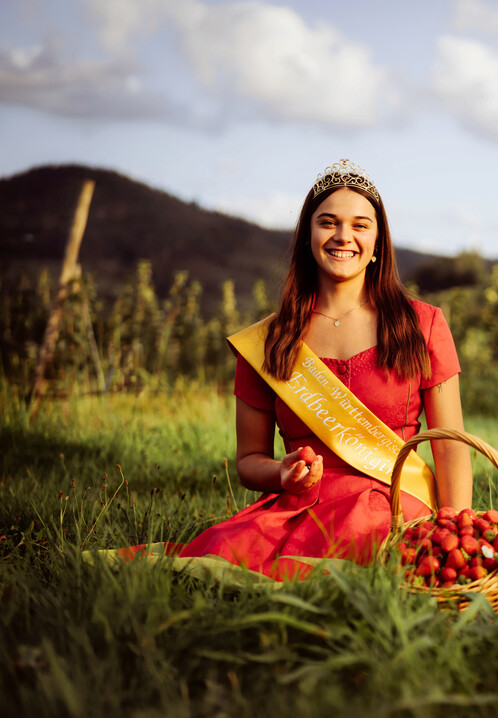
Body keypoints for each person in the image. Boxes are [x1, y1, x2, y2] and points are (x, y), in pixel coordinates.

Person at [110, 160, 472, 582]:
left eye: (360, 225)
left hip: (391, 504)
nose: (343, 236)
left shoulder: (422, 323)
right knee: (218, 565)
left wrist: (457, 532)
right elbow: (249, 461)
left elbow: (450, 446)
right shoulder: (269, 340)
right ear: (307, 237)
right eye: (328, 222)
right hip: (298, 508)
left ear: (378, 243)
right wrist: (282, 474)